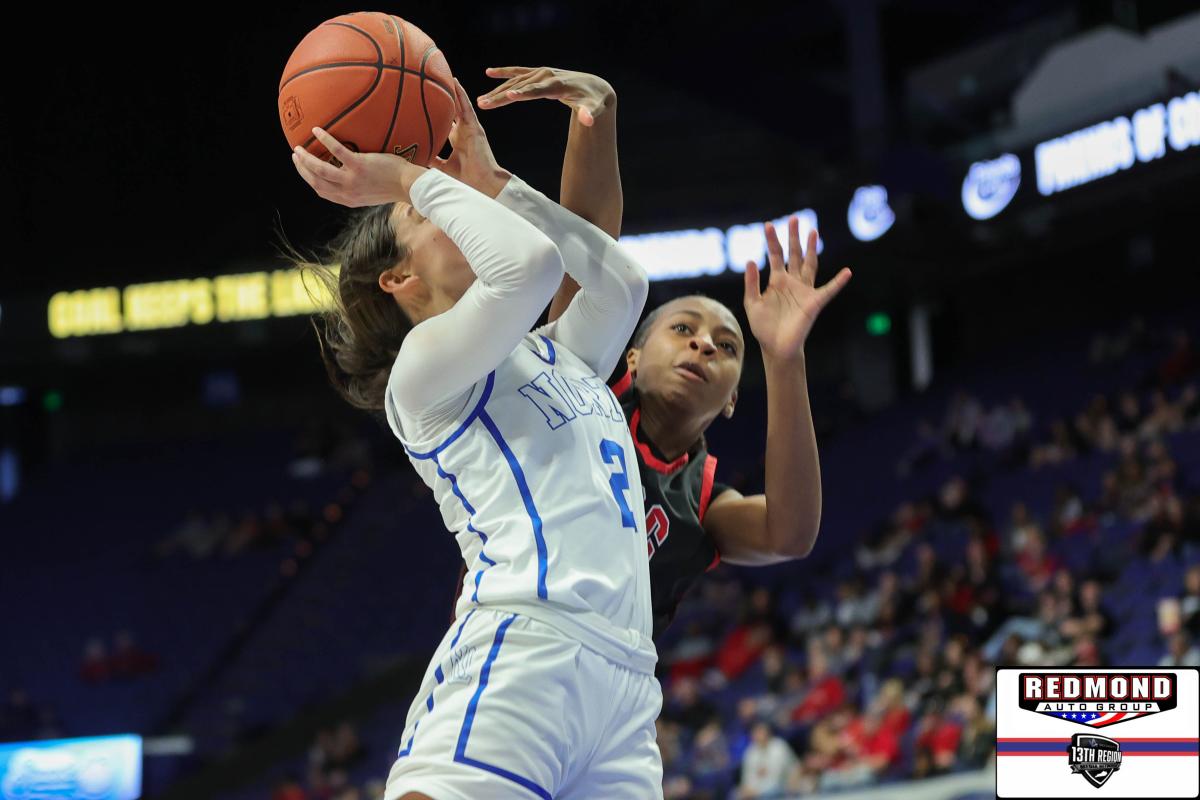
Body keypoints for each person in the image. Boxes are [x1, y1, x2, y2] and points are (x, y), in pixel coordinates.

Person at [292, 76, 661, 800]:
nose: (448, 204)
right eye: (426, 213)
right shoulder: (421, 372)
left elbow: (622, 283)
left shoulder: (558, 354)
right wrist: (406, 179)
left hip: (626, 679)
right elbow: (530, 267)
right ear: (398, 278)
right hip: (528, 644)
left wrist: (495, 182)